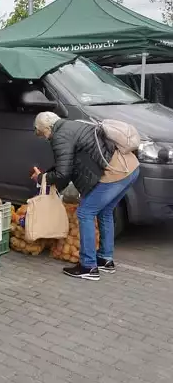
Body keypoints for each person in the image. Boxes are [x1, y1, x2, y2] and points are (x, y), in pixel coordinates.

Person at [32, 111, 140, 281]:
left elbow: (63, 173)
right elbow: (65, 162)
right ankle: (105, 259)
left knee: (85, 212)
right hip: (130, 168)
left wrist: (41, 178)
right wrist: (47, 175)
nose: (44, 137)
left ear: (47, 128)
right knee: (105, 212)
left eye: (42, 133)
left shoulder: (60, 136)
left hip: (116, 173)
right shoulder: (72, 125)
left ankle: (88, 266)